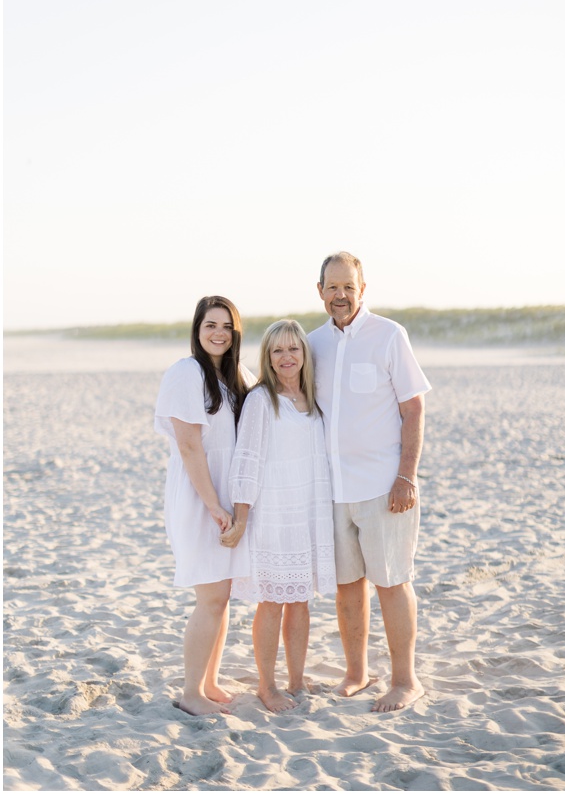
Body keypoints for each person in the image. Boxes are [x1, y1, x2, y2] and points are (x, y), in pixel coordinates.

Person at [306, 252, 431, 712]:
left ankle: (405, 680)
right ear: (319, 291)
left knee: (392, 582)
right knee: (347, 586)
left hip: (384, 486)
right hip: (332, 489)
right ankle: (356, 673)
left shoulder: (389, 335)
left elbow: (413, 408)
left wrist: (407, 475)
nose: (341, 295)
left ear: (363, 289)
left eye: (349, 287)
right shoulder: (311, 343)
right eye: (332, 287)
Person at [221, 319, 336, 712]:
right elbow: (246, 462)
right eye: (277, 351)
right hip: (272, 514)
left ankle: (297, 680)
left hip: (307, 512)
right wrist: (241, 518)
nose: (287, 357)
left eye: (293, 349)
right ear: (268, 358)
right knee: (271, 600)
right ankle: (267, 687)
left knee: (300, 600)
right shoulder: (260, 401)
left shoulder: (314, 398)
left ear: (304, 353)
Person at [154, 296, 253, 716]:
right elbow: (190, 446)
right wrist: (214, 505)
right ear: (197, 330)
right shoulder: (186, 372)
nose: (219, 333)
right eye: (211, 325)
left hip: (225, 497)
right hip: (200, 497)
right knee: (209, 596)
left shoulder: (233, 375)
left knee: (221, 595)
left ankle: (210, 680)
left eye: (227, 327)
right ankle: (191, 692)